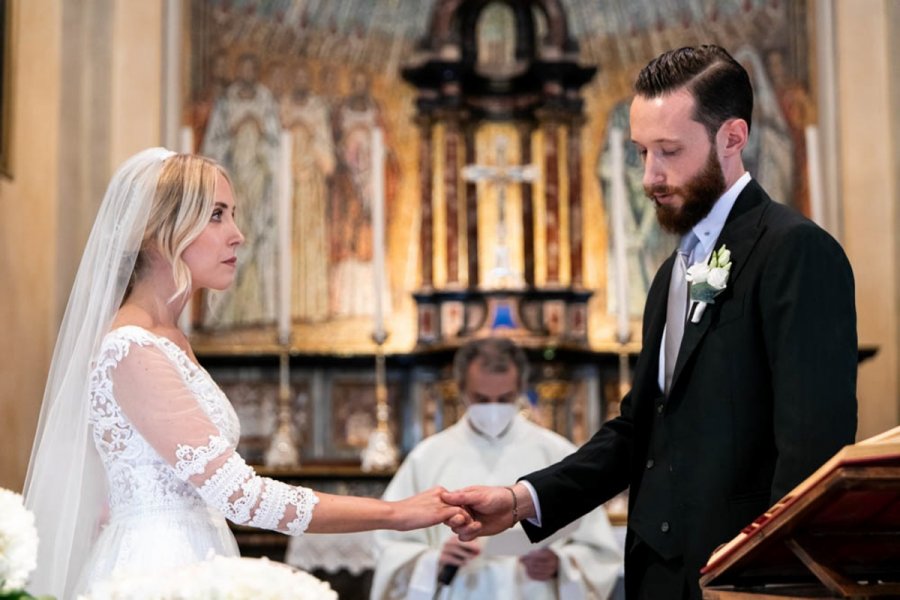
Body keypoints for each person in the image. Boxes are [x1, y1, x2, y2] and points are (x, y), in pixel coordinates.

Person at [444, 45, 858, 600]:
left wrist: (772, 580)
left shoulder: (796, 252)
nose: (650, 177)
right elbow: (642, 430)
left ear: (732, 138)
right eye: (641, 152)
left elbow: (814, 450)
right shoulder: (670, 275)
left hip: (744, 581)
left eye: (669, 151)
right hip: (656, 580)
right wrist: (521, 500)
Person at [23, 149, 469, 599]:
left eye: (233, 215)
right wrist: (394, 514)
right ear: (157, 232)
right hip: (158, 568)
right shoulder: (132, 347)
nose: (237, 235)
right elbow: (241, 496)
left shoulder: (167, 339)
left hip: (197, 554)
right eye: (216, 216)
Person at [371, 338, 622, 600]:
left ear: (521, 389)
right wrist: (433, 560)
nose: (493, 409)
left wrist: (560, 563)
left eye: (505, 399)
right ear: (460, 389)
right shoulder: (426, 457)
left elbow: (597, 548)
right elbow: (389, 542)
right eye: (481, 399)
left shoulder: (556, 452)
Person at [201, 52, 281, 328]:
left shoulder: (266, 101)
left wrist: (258, 130)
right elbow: (212, 149)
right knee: (232, 245)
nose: (247, 74)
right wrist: (235, 130)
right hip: (233, 182)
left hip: (258, 182)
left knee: (257, 241)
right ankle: (224, 316)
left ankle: (260, 312)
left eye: (252, 69)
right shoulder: (226, 103)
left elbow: (277, 147)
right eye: (243, 69)